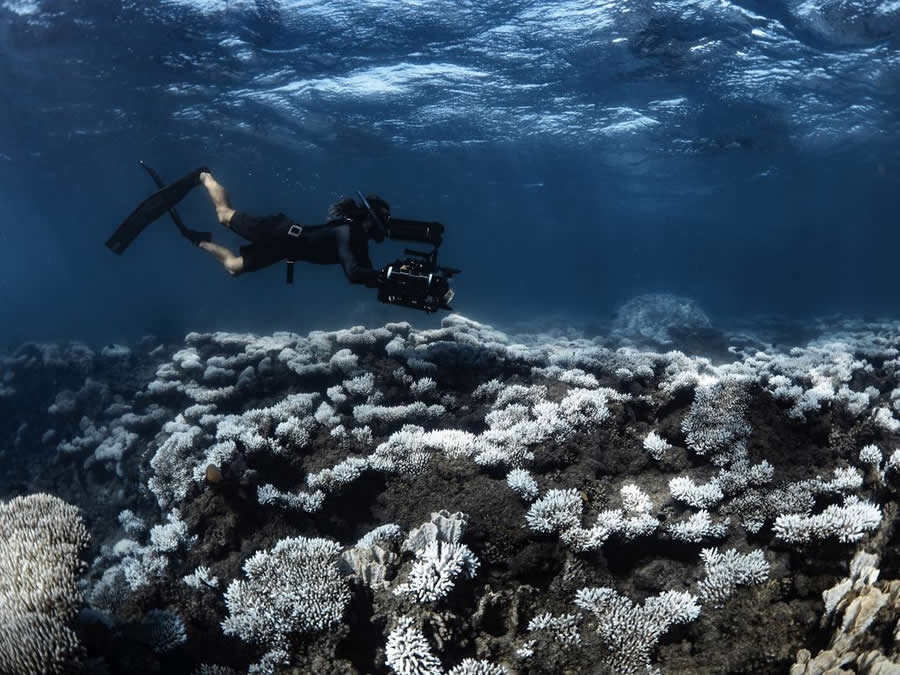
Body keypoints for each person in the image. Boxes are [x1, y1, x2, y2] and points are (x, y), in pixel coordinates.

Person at [195, 171, 389, 287]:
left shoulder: (361, 244)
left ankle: (200, 241)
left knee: (233, 268)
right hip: (279, 232)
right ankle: (205, 177)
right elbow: (354, 273)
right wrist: (386, 276)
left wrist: (394, 277)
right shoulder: (346, 230)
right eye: (380, 220)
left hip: (285, 249)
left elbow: (367, 276)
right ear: (368, 219)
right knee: (224, 214)